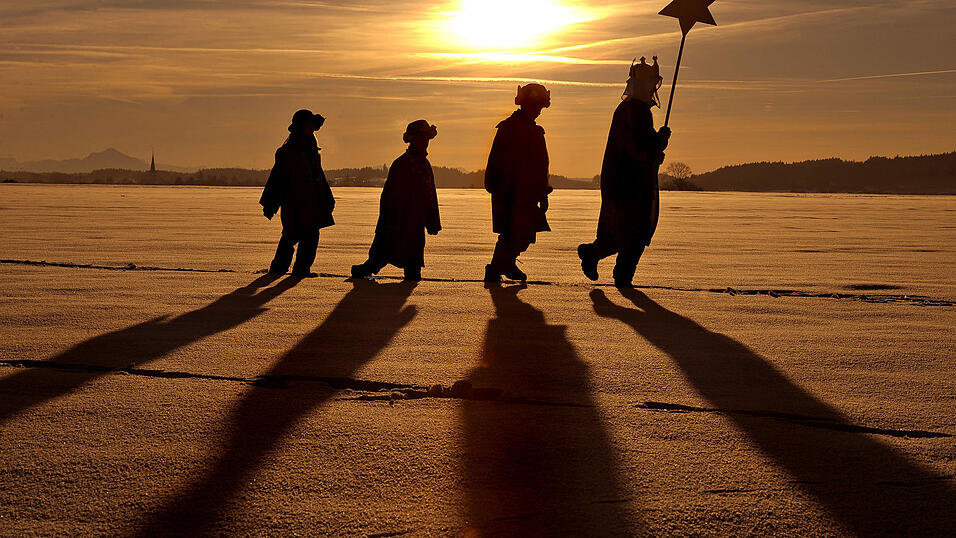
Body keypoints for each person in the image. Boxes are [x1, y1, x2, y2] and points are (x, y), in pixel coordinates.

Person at [578, 57, 671, 287]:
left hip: (628, 180)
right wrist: (658, 142)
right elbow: (635, 148)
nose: (652, 89)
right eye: (650, 83)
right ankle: (617, 272)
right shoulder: (633, 111)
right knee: (633, 231)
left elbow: (642, 148)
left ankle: (609, 265)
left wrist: (656, 146)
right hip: (627, 182)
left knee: (630, 232)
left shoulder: (634, 110)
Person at [351, 120, 441, 281]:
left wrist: (432, 221)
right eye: (422, 138)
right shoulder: (402, 164)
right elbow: (390, 197)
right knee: (382, 254)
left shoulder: (424, 164)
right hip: (397, 222)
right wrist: (392, 221)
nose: (425, 142)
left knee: (412, 263)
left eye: (427, 138)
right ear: (413, 139)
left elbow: (429, 195)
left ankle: (370, 271)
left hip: (415, 224)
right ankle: (363, 271)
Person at [483, 83, 553, 283]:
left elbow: (540, 167)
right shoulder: (509, 128)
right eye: (535, 107)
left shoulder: (535, 131)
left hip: (528, 194)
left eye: (540, 108)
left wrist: (542, 192)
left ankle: (506, 263)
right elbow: (497, 161)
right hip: (510, 193)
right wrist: (501, 188)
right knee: (512, 233)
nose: (538, 112)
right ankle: (496, 268)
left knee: (525, 234)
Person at [259, 109, 335, 278]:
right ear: (301, 127)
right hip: (294, 202)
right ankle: (279, 268)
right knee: (291, 235)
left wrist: (327, 198)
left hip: (311, 202)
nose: (312, 130)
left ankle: (301, 269)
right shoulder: (287, 152)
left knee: (310, 236)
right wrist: (271, 202)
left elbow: (318, 177)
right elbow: (277, 179)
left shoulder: (311, 149)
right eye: (309, 126)